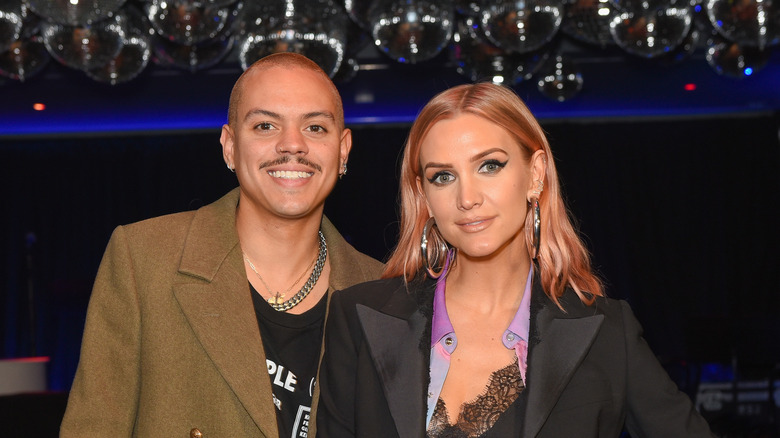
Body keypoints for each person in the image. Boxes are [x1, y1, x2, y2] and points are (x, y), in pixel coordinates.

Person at [316, 83, 716, 437]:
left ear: (535, 174)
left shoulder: (605, 333)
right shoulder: (359, 318)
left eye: (489, 166)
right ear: (424, 196)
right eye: (443, 176)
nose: (467, 197)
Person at [60, 52, 383, 438]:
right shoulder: (144, 258)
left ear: (343, 149)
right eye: (265, 125)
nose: (292, 145)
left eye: (315, 127)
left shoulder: (382, 291)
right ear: (230, 146)